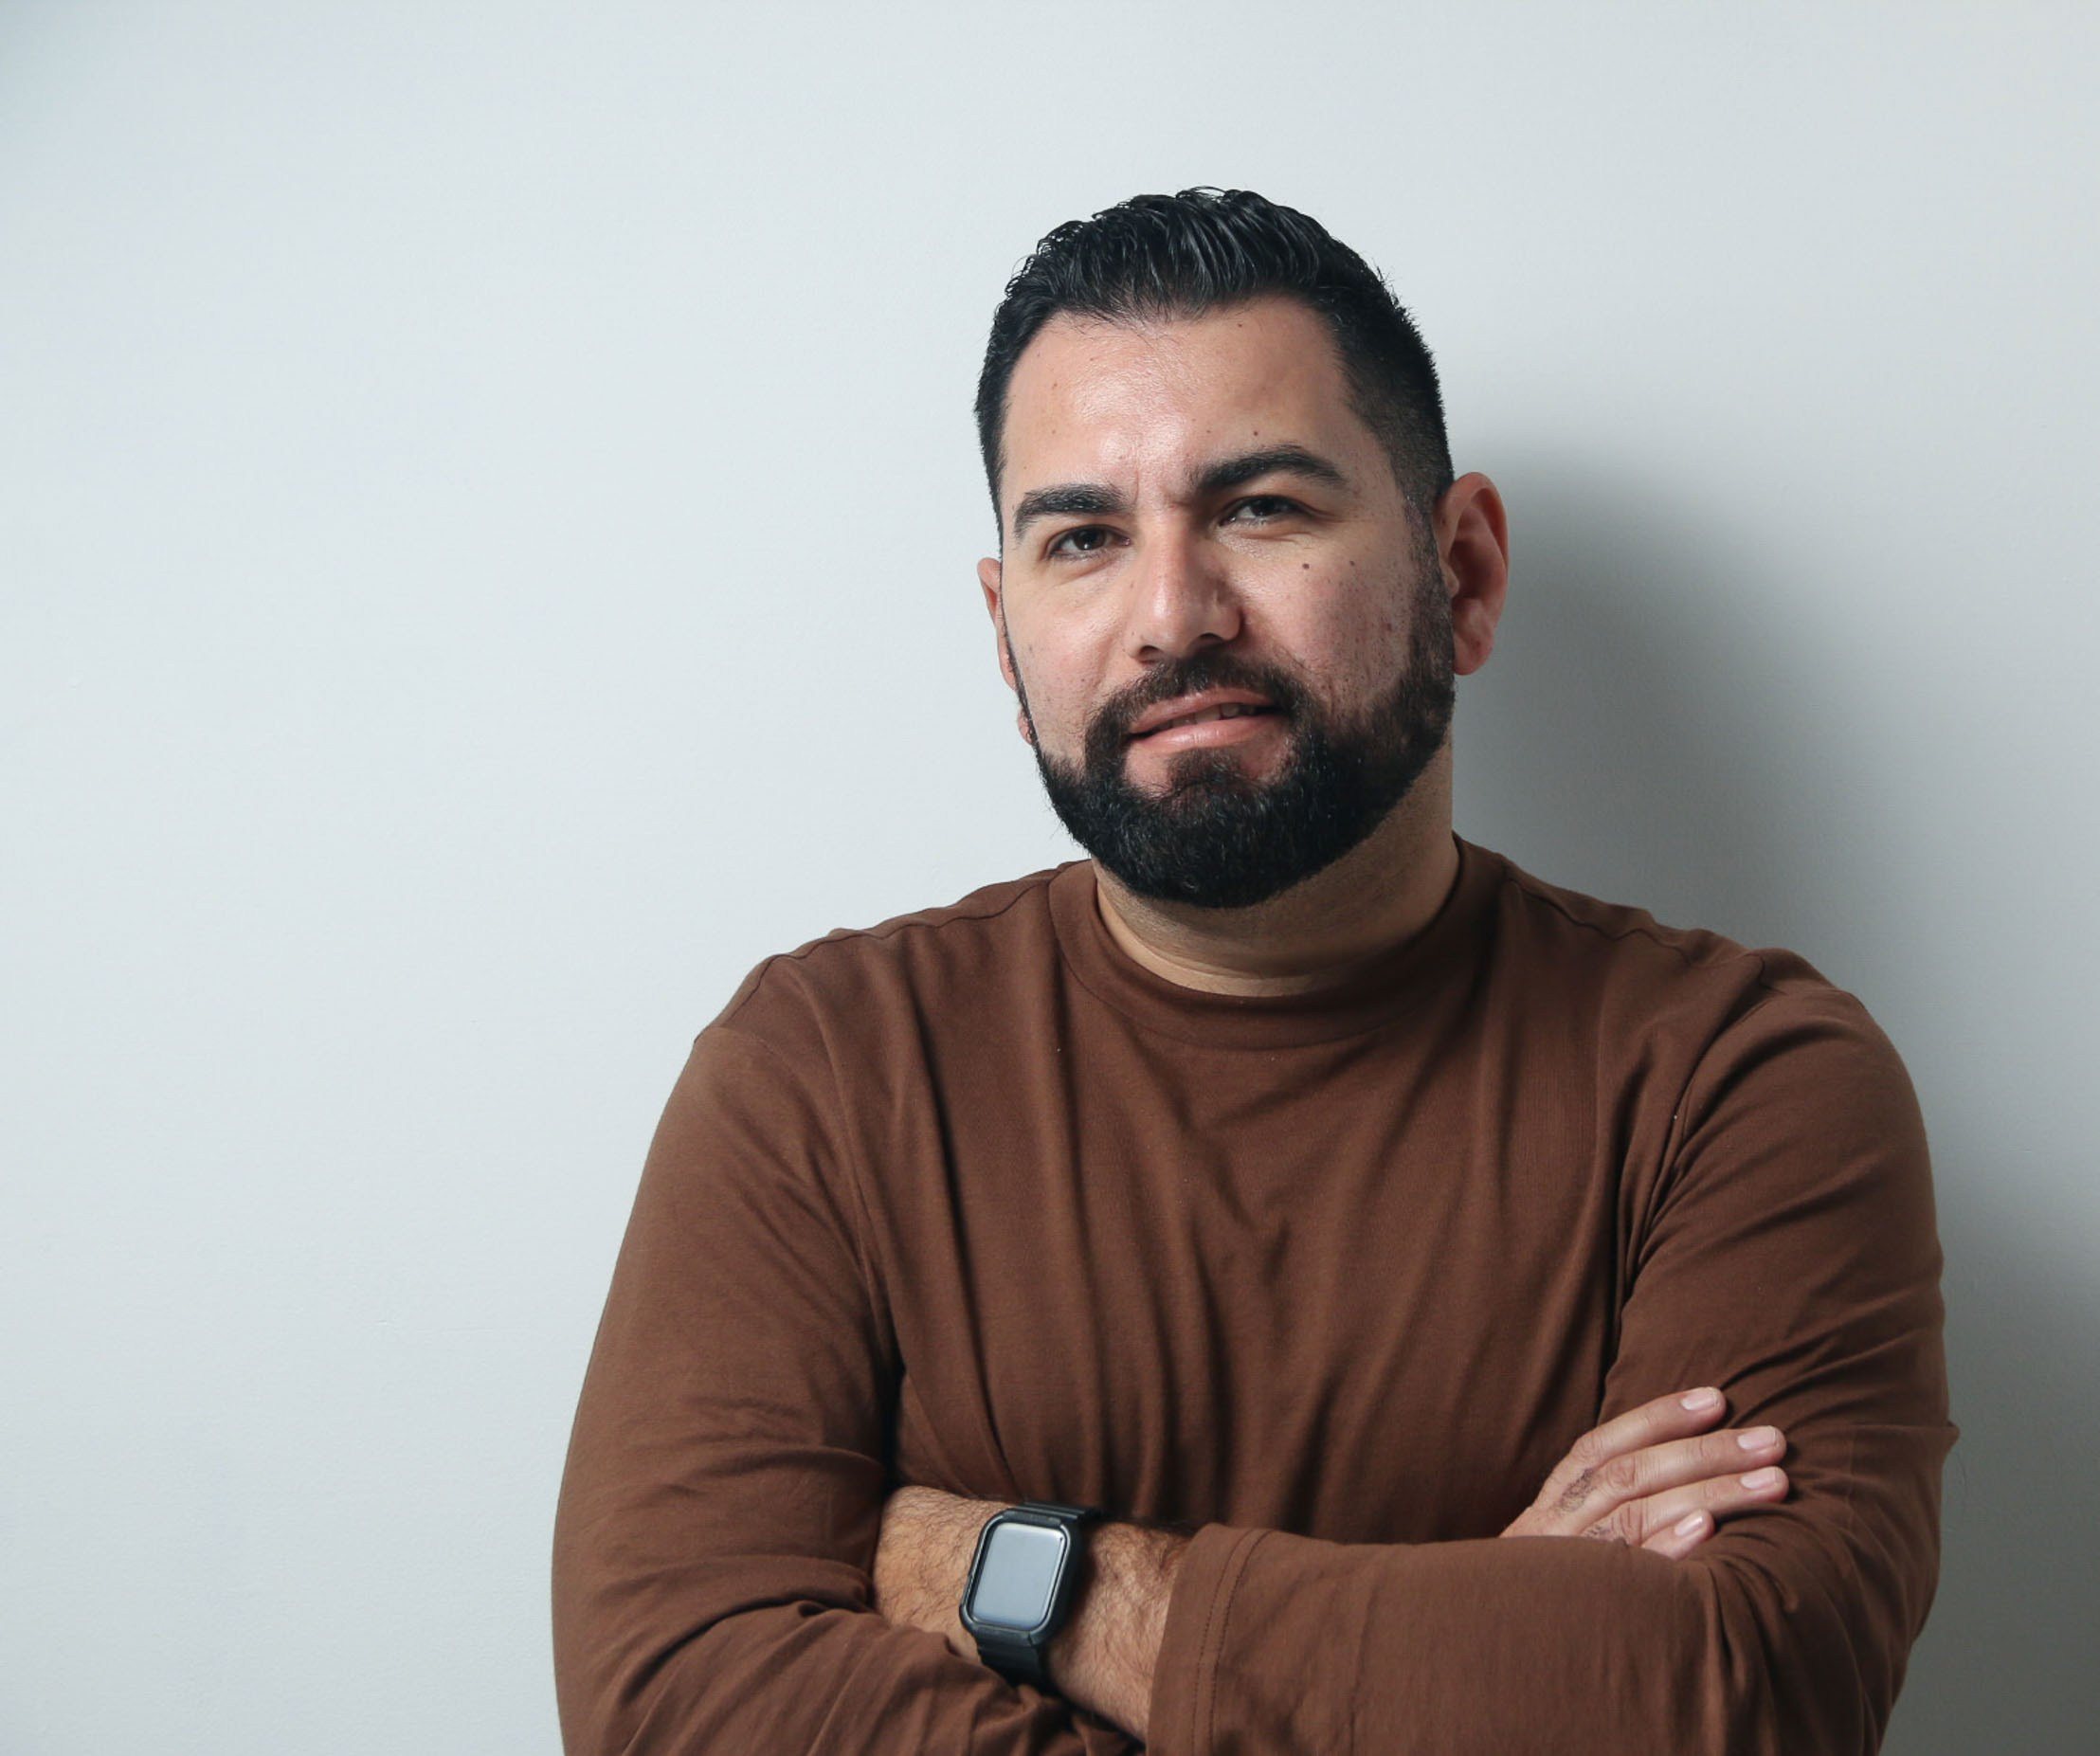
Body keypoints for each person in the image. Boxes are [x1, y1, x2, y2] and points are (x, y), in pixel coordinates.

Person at [552, 188, 1952, 1754]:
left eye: (1261, 508)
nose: (1171, 615)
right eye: (1083, 538)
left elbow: (1740, 1699)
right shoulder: (815, 1071)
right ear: (1008, 637)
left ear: (1465, 573)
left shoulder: (1741, 1081)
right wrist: (1484, 1644)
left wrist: (1025, 1576)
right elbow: (675, 1702)